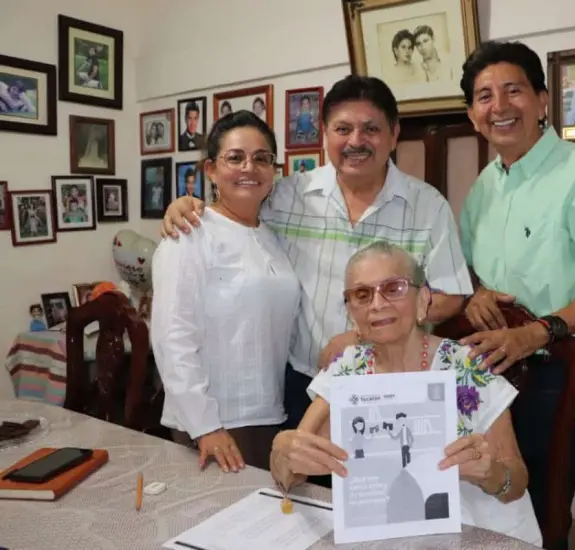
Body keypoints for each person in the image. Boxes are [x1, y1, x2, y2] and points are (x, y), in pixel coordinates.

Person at [159, 75, 472, 483]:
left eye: (371, 129)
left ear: (394, 134)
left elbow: (449, 296)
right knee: (296, 506)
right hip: (297, 388)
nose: (356, 140)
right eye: (343, 129)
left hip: (388, 388)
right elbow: (233, 210)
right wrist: (186, 206)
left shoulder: (427, 206)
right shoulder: (288, 195)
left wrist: (364, 338)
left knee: (381, 498)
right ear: (325, 134)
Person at [458, 40, 575, 549]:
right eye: (484, 96)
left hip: (554, 372)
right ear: (473, 116)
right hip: (487, 368)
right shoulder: (484, 186)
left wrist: (534, 333)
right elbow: (467, 268)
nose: (499, 106)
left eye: (513, 90)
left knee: (541, 508)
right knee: (481, 497)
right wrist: (473, 294)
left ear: (542, 100)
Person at [269, 241, 542, 546]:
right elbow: (292, 473)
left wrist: (490, 472)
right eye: (362, 294)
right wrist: (283, 451)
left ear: (423, 300)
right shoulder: (346, 373)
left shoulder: (467, 368)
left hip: (477, 529)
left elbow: (516, 482)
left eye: (393, 288)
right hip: (387, 534)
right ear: (351, 311)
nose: (377, 304)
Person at [150, 110, 301, 473]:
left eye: (262, 158)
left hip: (269, 413)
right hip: (213, 422)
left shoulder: (273, 235)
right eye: (235, 158)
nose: (250, 167)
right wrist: (206, 426)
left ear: (274, 171)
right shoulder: (190, 234)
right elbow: (172, 337)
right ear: (211, 170)